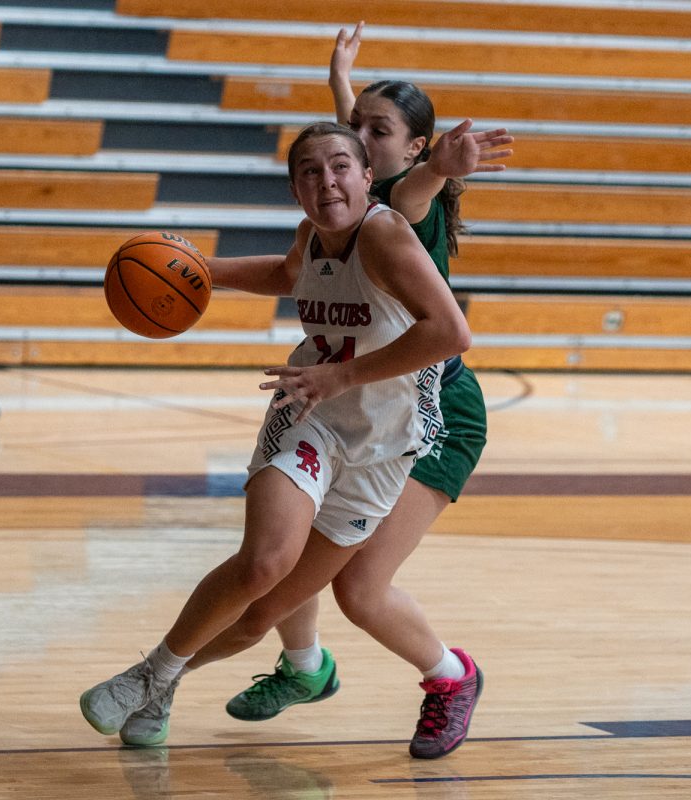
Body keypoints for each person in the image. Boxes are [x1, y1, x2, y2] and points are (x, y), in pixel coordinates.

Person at [79, 122, 473, 752]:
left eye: (341, 167)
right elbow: (290, 273)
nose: (327, 182)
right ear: (295, 189)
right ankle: (148, 673)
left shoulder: (386, 235)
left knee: (261, 616)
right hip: (309, 416)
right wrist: (201, 272)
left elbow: (451, 334)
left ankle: (166, 681)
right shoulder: (311, 237)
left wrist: (341, 375)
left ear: (368, 178)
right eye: (310, 172)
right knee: (263, 563)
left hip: (382, 443)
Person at [213, 23, 512, 758]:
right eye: (352, 127)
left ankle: (451, 677)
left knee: (360, 589)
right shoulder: (340, 197)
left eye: (375, 132)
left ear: (412, 147)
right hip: (364, 401)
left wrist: (440, 168)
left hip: (433, 413)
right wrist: (341, 79)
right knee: (291, 543)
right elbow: (296, 261)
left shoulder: (401, 207)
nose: (355, 140)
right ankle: (305, 666)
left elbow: (408, 186)